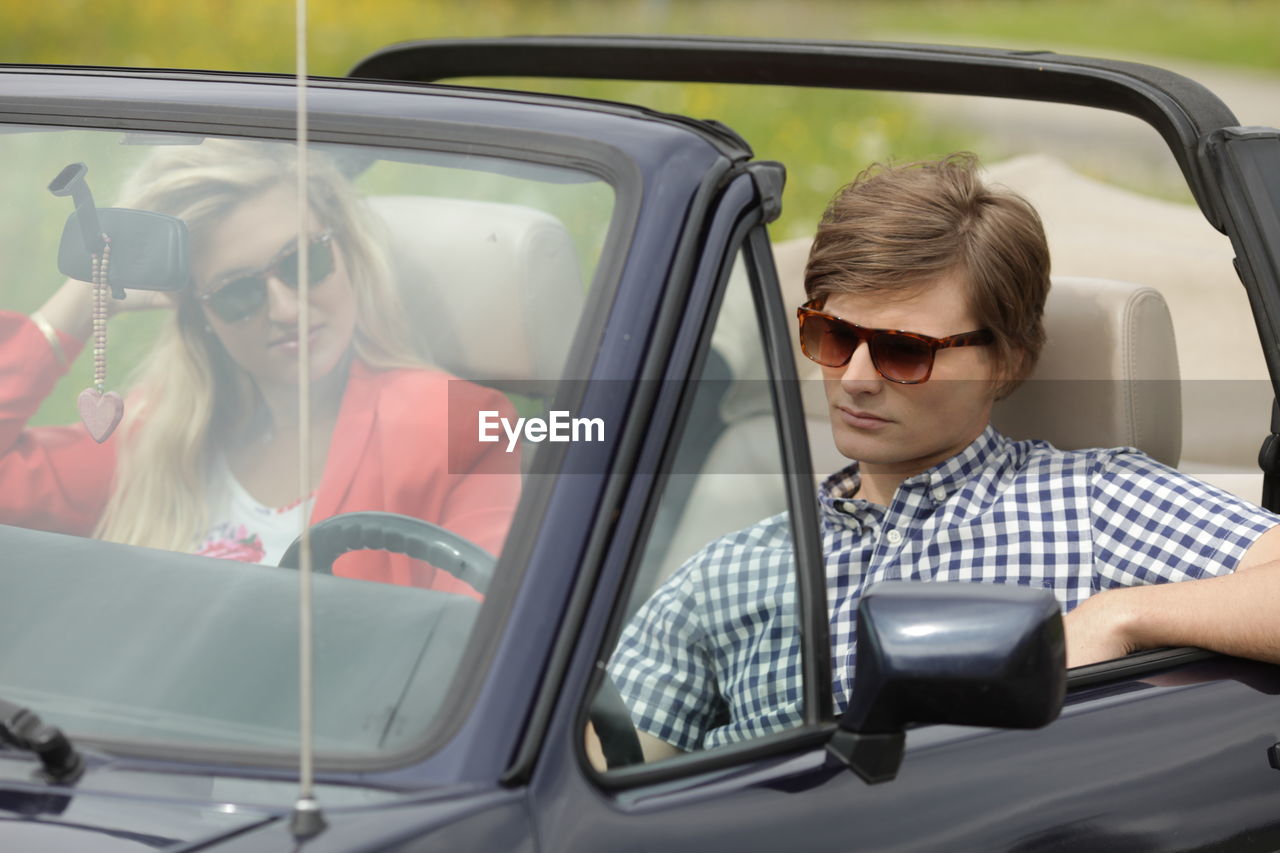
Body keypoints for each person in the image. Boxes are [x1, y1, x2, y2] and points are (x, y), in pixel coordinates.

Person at [607, 152, 1280, 762]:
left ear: (1009, 360)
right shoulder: (732, 568)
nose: (857, 376)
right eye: (833, 335)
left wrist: (1120, 616)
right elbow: (594, 775)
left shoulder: (1095, 501)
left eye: (905, 350)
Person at [0, 139, 520, 593]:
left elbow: (477, 646)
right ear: (198, 313)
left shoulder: (460, 427)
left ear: (345, 248)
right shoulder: (157, 437)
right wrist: (84, 297)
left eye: (303, 261)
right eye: (238, 293)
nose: (287, 309)